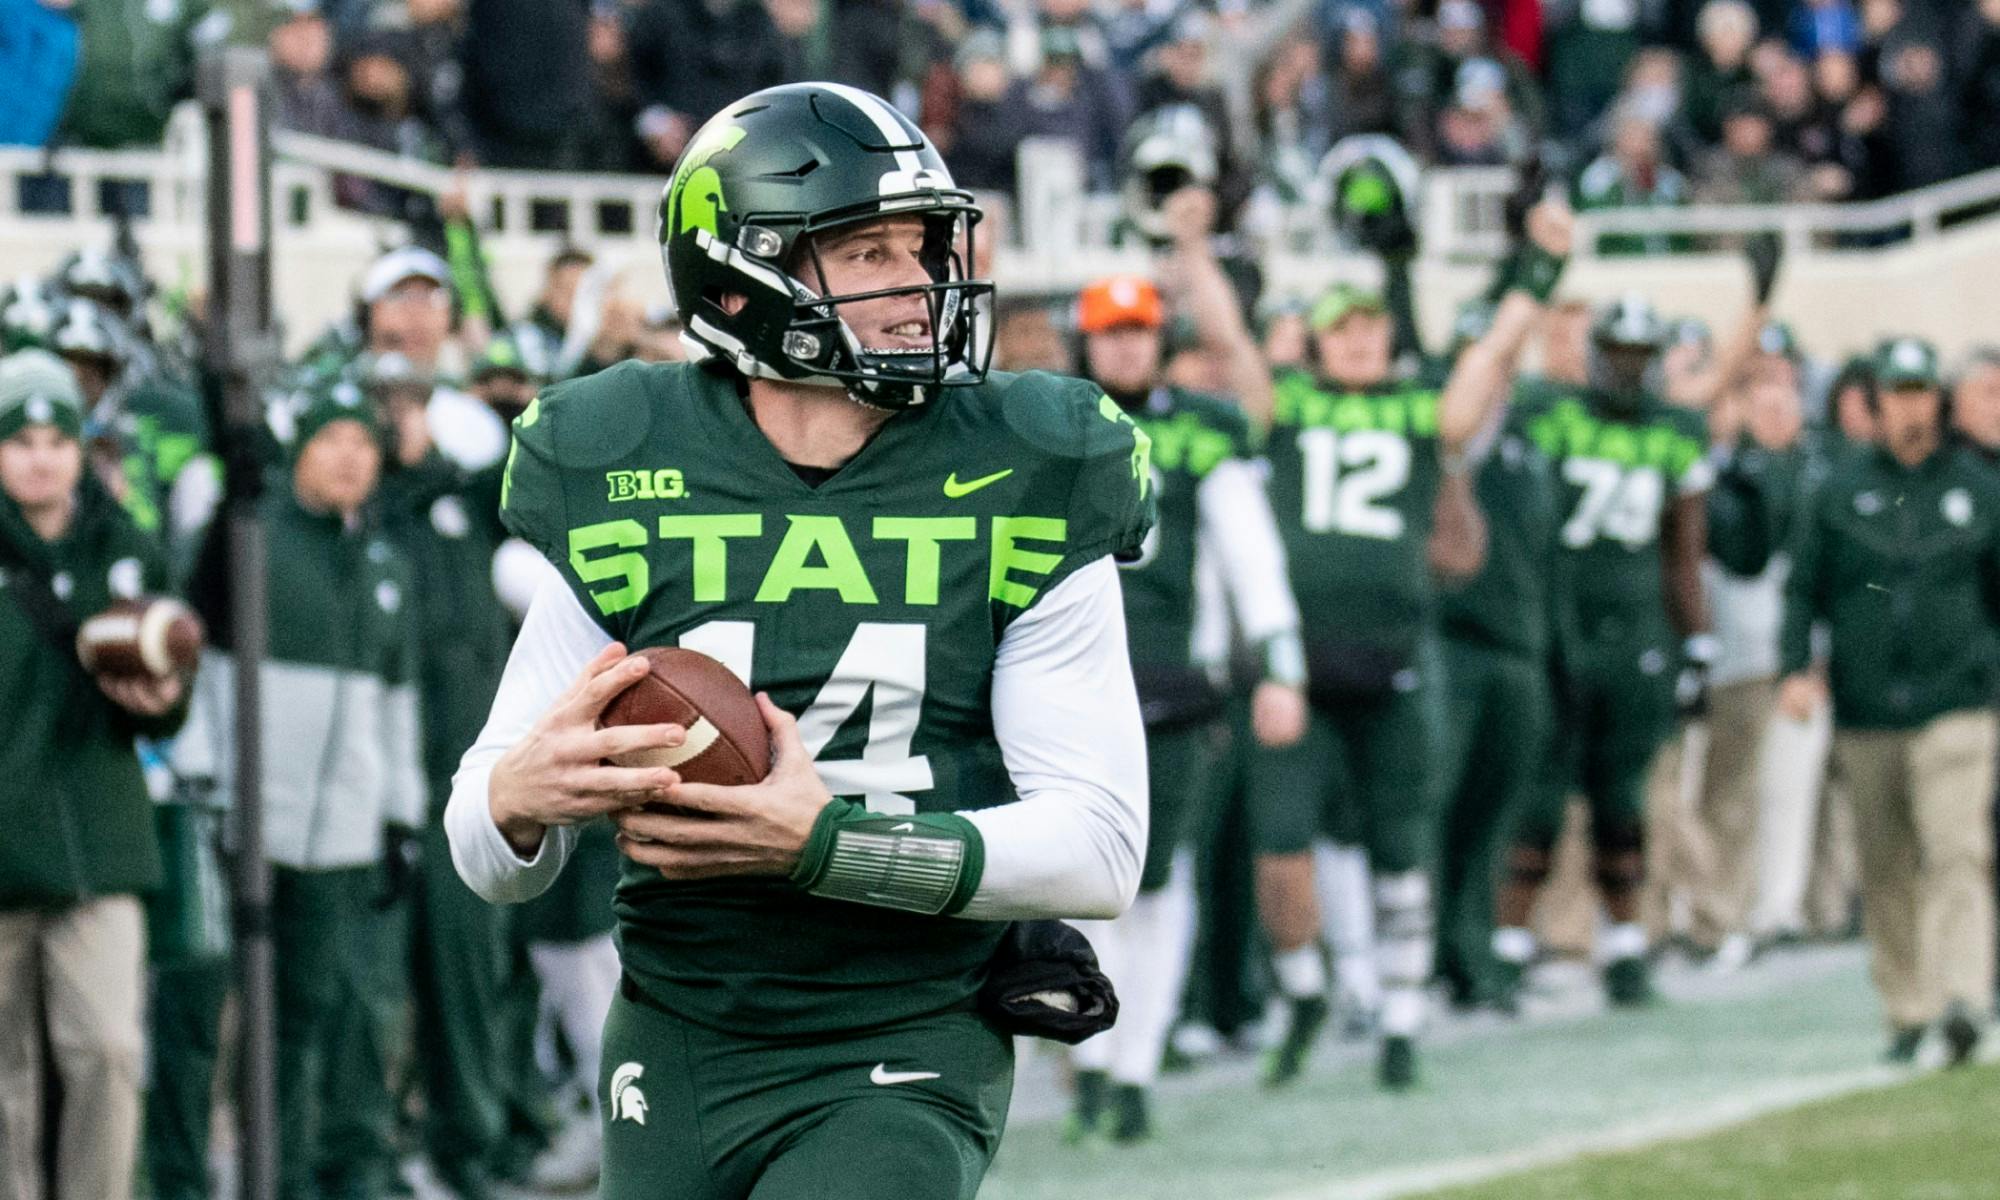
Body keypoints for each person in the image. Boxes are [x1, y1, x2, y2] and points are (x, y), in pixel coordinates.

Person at [446, 82, 1151, 1199]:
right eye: (865, 253)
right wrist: (520, 796)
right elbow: (483, 849)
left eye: (920, 246)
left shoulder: (1033, 460)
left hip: (905, 1025)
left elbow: (1101, 850)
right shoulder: (624, 452)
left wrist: (824, 843)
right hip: (679, 1025)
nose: (920, 284)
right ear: (741, 273)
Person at [1251, 196, 1572, 1090]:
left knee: (1401, 845)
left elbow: (1486, 371)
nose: (1356, 343)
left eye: (1368, 331)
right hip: (1297, 667)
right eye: (1339, 331)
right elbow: (1237, 366)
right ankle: (1306, 988)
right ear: (1314, 344)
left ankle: (1399, 1018)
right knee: (1280, 847)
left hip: (1394, 659)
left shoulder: (1418, 409)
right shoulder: (1283, 405)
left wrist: (1537, 278)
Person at [1065, 202, 1306, 1144]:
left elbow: (1250, 554)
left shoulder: (1203, 431)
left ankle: (1133, 1065)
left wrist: (1278, 659)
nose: (1126, 351)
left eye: (1139, 333)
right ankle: (1090, 1054)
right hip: (1069, 689)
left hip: (1170, 680)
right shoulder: (1054, 425)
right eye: (1110, 335)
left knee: (1160, 879)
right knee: (1075, 873)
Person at [173, 383, 425, 1200]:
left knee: (319, 1010)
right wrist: (205, 781)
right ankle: (225, 1173)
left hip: (344, 834)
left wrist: (400, 817)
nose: (352, 457)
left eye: (365, 442)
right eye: (332, 439)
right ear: (300, 449)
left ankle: (308, 1168)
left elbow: (395, 703)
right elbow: (201, 663)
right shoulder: (250, 536)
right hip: (247, 821)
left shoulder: (384, 559)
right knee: (226, 1012)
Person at [1779, 337, 1999, 1067]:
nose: (1909, 405)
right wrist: (1795, 667)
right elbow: (1802, 588)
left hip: (1956, 699)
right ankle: (1908, 1006)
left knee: (1956, 849)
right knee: (1884, 863)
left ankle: (1963, 995)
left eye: (1919, 390)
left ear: (1938, 398)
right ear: (1878, 402)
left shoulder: (1977, 485)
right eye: (1896, 392)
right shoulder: (1839, 490)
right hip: (1867, 703)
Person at [0, 349, 185, 1200]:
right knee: (8, 1085)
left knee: (109, 1050)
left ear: (82, 447)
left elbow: (164, 708)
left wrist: (160, 695)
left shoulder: (125, 546)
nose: (40, 456)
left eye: (57, 438)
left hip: (100, 847)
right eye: (20, 438)